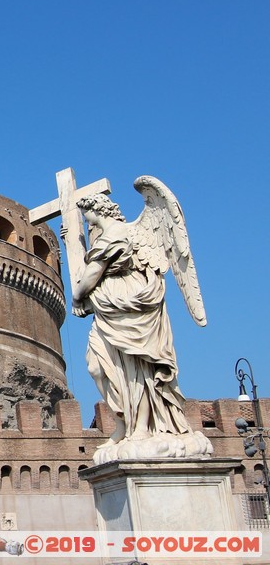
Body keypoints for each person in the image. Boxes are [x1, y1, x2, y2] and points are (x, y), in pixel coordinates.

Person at [70, 192, 208, 461]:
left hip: (130, 307)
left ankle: (142, 427)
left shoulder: (118, 233)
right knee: (98, 365)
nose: (85, 220)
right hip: (110, 308)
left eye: (85, 214)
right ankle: (124, 424)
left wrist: (77, 296)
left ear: (96, 211)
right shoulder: (105, 236)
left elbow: (92, 274)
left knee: (138, 369)